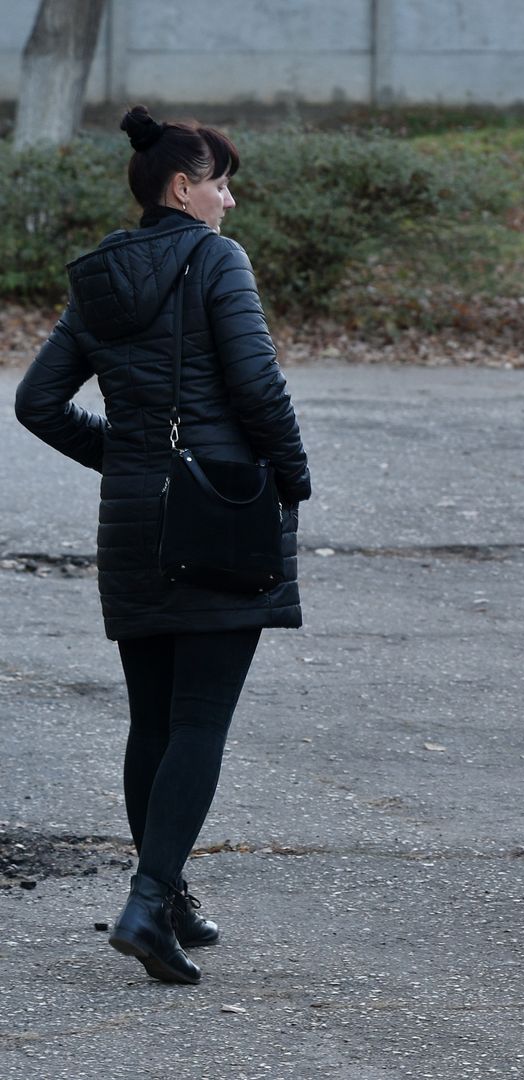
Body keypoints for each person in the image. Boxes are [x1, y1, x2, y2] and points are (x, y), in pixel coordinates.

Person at [14, 106, 310, 985]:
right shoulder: (215, 257)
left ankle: (168, 894)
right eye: (220, 181)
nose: (229, 199)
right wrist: (291, 477)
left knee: (153, 717)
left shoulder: (100, 275)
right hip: (220, 509)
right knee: (199, 720)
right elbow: (257, 382)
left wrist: (133, 461)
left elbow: (37, 402)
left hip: (138, 516)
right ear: (182, 188)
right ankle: (146, 902)